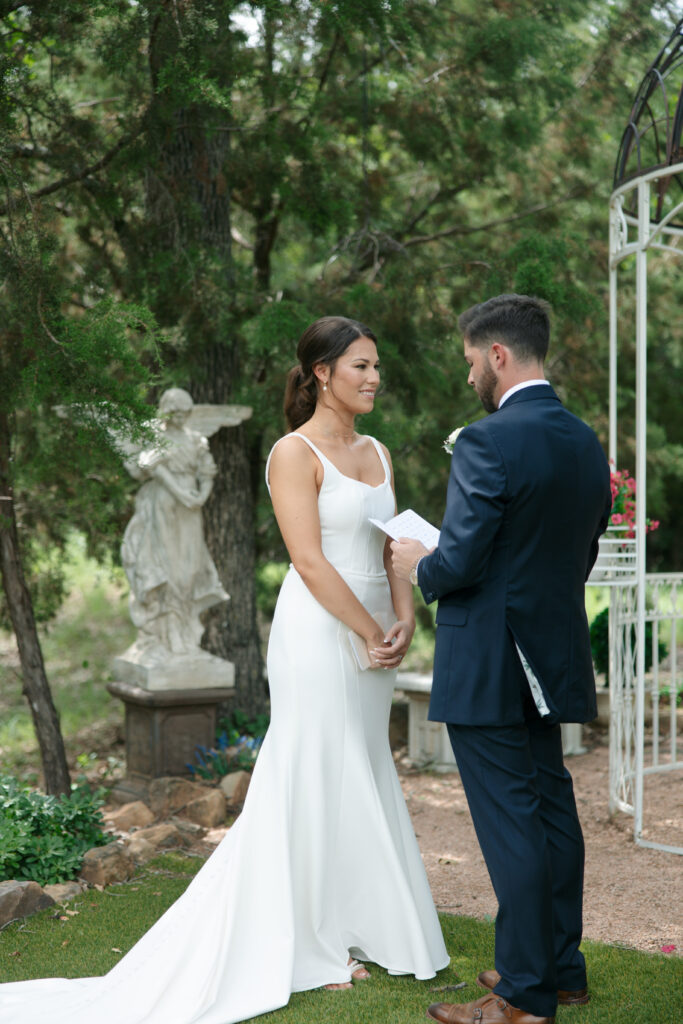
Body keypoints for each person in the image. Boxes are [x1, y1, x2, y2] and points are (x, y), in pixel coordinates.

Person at [0, 316, 448, 1024]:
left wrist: (402, 619)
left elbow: (394, 545)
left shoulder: (378, 452)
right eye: (360, 366)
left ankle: (358, 921)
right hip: (319, 632)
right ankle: (304, 936)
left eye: (375, 366)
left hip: (376, 632)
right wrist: (367, 631)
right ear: (322, 373)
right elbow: (308, 560)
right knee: (312, 766)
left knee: (360, 765)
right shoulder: (292, 453)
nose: (373, 378)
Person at [392, 294, 612, 1024]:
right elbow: (578, 553)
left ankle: (521, 994)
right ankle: (560, 969)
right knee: (550, 808)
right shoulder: (585, 441)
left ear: (497, 355)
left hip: (487, 658)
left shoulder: (487, 441)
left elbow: (459, 561)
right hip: (551, 652)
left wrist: (419, 564)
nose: (468, 379)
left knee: (512, 822)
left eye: (469, 363)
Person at [121, 387, 228, 662]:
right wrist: (182, 494)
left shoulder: (195, 439)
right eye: (175, 413)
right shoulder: (156, 436)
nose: (180, 418)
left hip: (191, 507)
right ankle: (169, 632)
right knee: (167, 565)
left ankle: (186, 628)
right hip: (166, 501)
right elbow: (154, 469)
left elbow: (207, 471)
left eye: (184, 413)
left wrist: (201, 497)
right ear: (167, 412)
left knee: (190, 566)